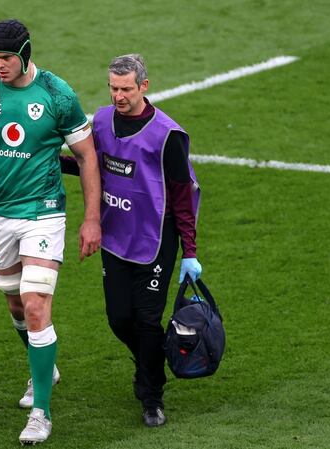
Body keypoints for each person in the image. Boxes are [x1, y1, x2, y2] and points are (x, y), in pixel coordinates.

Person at [0, 19, 101, 444]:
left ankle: (41, 412)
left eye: (6, 58)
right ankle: (44, 365)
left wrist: (91, 218)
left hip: (44, 213)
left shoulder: (56, 94)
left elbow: (86, 156)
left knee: (34, 306)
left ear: (25, 53)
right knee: (13, 304)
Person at [63, 54, 203, 427]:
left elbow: (182, 195)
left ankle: (152, 395)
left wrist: (189, 250)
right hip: (116, 235)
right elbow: (87, 163)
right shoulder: (103, 120)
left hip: (157, 237)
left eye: (125, 88)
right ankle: (149, 361)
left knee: (146, 319)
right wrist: (40, 158)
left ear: (144, 86)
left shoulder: (168, 135)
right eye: (113, 88)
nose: (118, 95)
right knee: (118, 317)